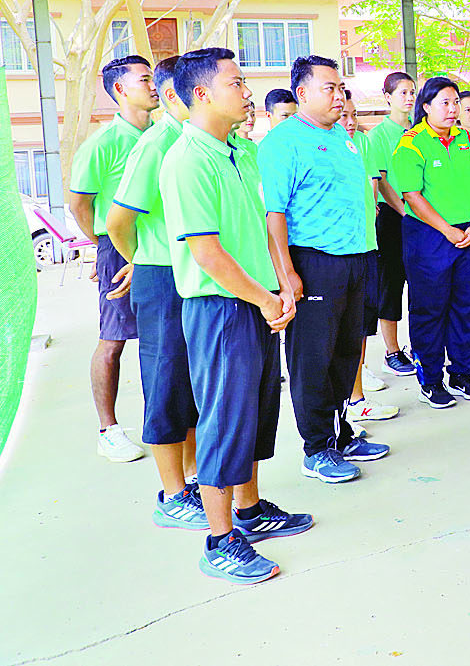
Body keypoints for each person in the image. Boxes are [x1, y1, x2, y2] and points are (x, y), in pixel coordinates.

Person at [160, 47, 312, 584]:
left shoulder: (240, 151)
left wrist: (281, 282)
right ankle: (220, 540)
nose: (248, 92)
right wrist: (265, 299)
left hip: (257, 299)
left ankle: (249, 511)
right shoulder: (187, 159)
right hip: (221, 307)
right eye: (236, 83)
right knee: (224, 419)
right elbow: (206, 253)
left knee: (254, 411)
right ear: (201, 94)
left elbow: (261, 228)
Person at [261, 57, 390, 484]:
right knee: (313, 359)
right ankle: (316, 449)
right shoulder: (283, 142)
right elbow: (274, 214)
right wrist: (287, 274)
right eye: (329, 88)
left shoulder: (342, 137)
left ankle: (340, 434)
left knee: (346, 353)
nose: (339, 96)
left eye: (341, 88)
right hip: (315, 262)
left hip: (358, 259)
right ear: (302, 93)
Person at [106, 56, 202, 528]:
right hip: (163, 277)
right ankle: (172, 494)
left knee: (193, 386)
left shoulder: (201, 141)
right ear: (173, 95)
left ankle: (195, 480)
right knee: (165, 385)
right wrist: (138, 259)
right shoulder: (157, 144)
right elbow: (118, 220)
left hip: (197, 276)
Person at [69, 53, 158, 464]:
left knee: (164, 340)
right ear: (120, 89)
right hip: (118, 250)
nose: (154, 86)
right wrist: (104, 246)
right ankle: (108, 430)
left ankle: (166, 424)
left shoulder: (165, 135)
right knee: (113, 339)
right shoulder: (102, 144)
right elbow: (79, 203)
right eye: (145, 79)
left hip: (161, 248)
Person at [389, 76, 470, 408]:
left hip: (468, 233)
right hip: (429, 237)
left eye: (455, 102)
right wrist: (447, 230)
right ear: (426, 106)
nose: (452, 109)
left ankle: (461, 373)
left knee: (464, 306)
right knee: (429, 310)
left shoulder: (466, 138)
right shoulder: (411, 143)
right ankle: (430, 381)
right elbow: (411, 195)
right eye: (444, 103)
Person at [341, 88, 398, 423]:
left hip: (366, 243)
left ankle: (357, 387)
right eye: (343, 116)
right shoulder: (324, 144)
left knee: (361, 321)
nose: (350, 121)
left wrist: (370, 209)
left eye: (354, 115)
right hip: (336, 251)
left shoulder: (362, 142)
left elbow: (373, 185)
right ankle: (347, 402)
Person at [367, 72, 419, 378]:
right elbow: (383, 181)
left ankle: (419, 345)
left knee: (421, 283)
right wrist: (405, 213)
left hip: (422, 216)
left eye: (412, 92)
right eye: (402, 92)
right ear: (387, 97)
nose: (409, 98)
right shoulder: (378, 136)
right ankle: (392, 351)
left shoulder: (421, 131)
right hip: (394, 217)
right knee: (391, 285)